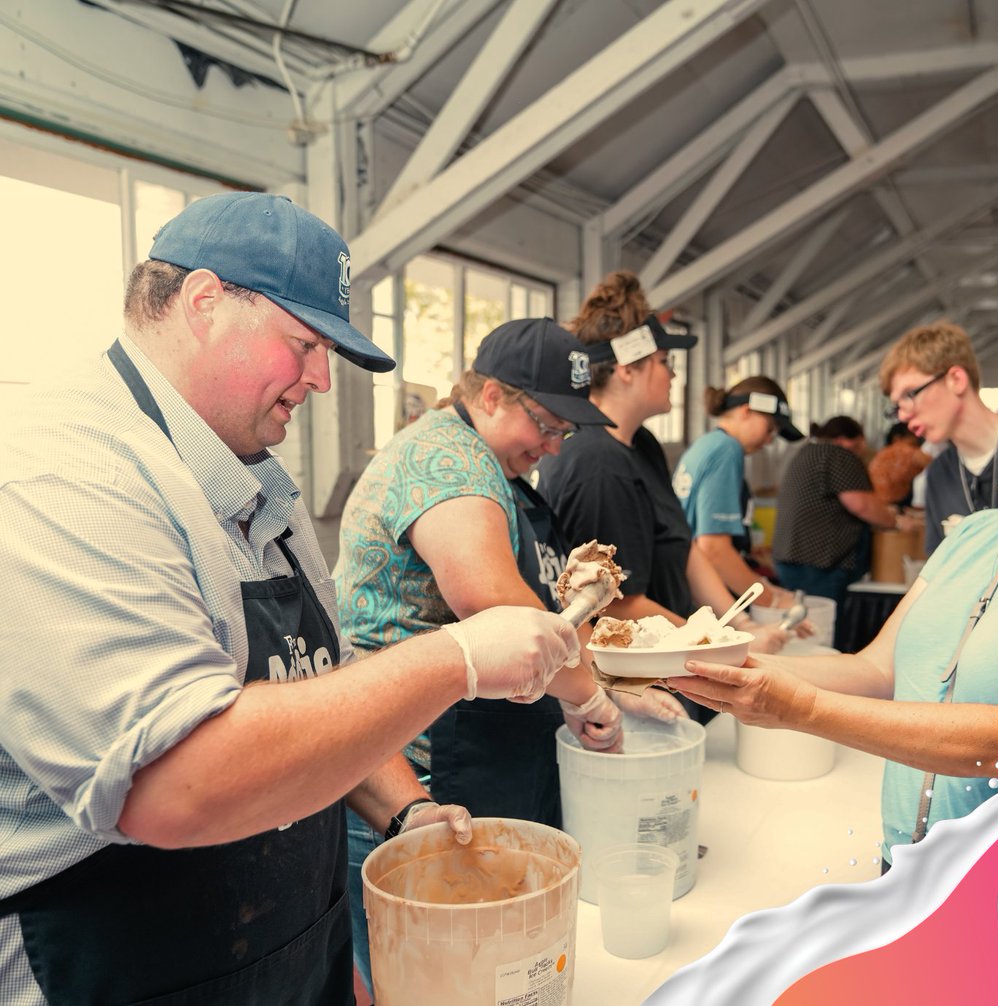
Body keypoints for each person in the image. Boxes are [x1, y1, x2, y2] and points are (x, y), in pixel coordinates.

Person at [0, 192, 581, 1006]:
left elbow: (321, 685)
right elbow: (179, 782)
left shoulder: (256, 481)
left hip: (279, 953)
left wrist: (390, 835)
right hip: (119, 967)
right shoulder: (66, 475)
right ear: (204, 304)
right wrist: (455, 658)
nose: (319, 379)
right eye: (304, 344)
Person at [670, 324, 998, 872]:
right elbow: (876, 668)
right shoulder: (979, 533)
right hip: (907, 870)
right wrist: (733, 667)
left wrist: (798, 709)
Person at [334, 316, 677, 993]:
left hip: (469, 755)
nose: (550, 449)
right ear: (491, 395)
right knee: (430, 985)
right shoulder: (447, 460)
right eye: (545, 426)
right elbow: (493, 600)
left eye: (563, 434)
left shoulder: (487, 463)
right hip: (411, 775)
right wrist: (589, 696)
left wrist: (602, 677)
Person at [533, 270, 790, 723]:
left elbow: (685, 544)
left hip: (676, 661)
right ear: (628, 369)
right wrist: (718, 643)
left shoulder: (642, 445)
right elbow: (620, 601)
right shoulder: (595, 463)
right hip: (636, 686)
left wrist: (738, 625)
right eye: (664, 362)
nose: (674, 374)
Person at [879, 321, 998, 554]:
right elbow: (938, 570)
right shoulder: (939, 474)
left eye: (909, 394)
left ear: (956, 380)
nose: (904, 415)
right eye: (897, 405)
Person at [672, 376, 804, 611]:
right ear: (746, 411)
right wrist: (770, 600)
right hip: (701, 596)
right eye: (770, 429)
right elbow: (714, 549)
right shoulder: (727, 450)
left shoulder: (707, 444)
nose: (769, 440)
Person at [772, 416, 922, 614]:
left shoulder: (807, 451)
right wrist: (896, 522)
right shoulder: (838, 455)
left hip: (790, 558)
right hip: (819, 564)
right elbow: (861, 505)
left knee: (802, 622)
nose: (862, 450)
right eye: (861, 443)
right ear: (846, 439)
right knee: (819, 626)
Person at [868, 422, 930, 508]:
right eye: (913, 436)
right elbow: (938, 467)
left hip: (879, 505)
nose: (917, 440)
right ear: (897, 438)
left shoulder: (879, 455)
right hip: (900, 505)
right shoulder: (907, 451)